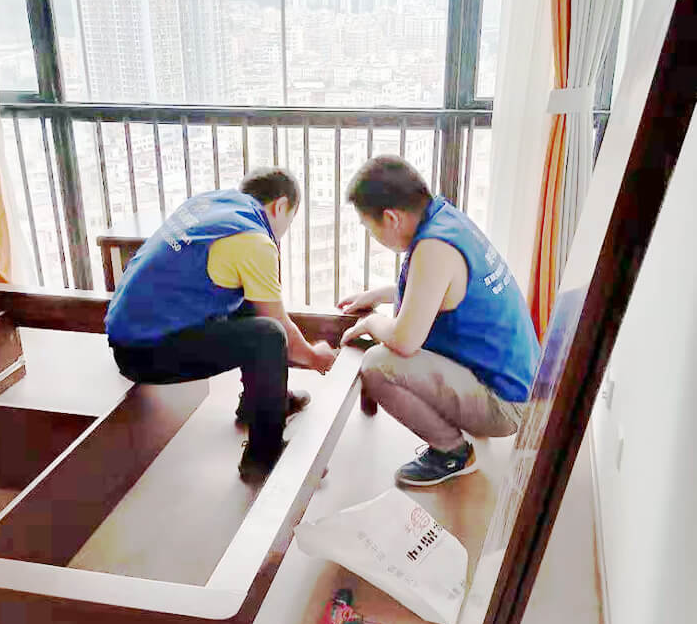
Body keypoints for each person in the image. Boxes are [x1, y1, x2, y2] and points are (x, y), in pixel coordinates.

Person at [105, 167, 337, 482]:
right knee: (268, 336)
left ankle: (259, 405)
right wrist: (315, 357)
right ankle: (263, 458)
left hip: (131, 333)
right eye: (289, 221)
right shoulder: (253, 240)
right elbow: (278, 325)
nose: (282, 233)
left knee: (251, 305)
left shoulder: (211, 206)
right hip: (146, 351)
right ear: (280, 205)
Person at [339, 156, 540, 487]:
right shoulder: (446, 220)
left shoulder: (434, 248)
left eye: (368, 227)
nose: (372, 236)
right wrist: (379, 295)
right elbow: (438, 292)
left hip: (506, 403)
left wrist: (372, 322)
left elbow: (405, 340)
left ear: (390, 218)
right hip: (519, 380)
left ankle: (451, 452)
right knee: (393, 346)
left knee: (377, 365)